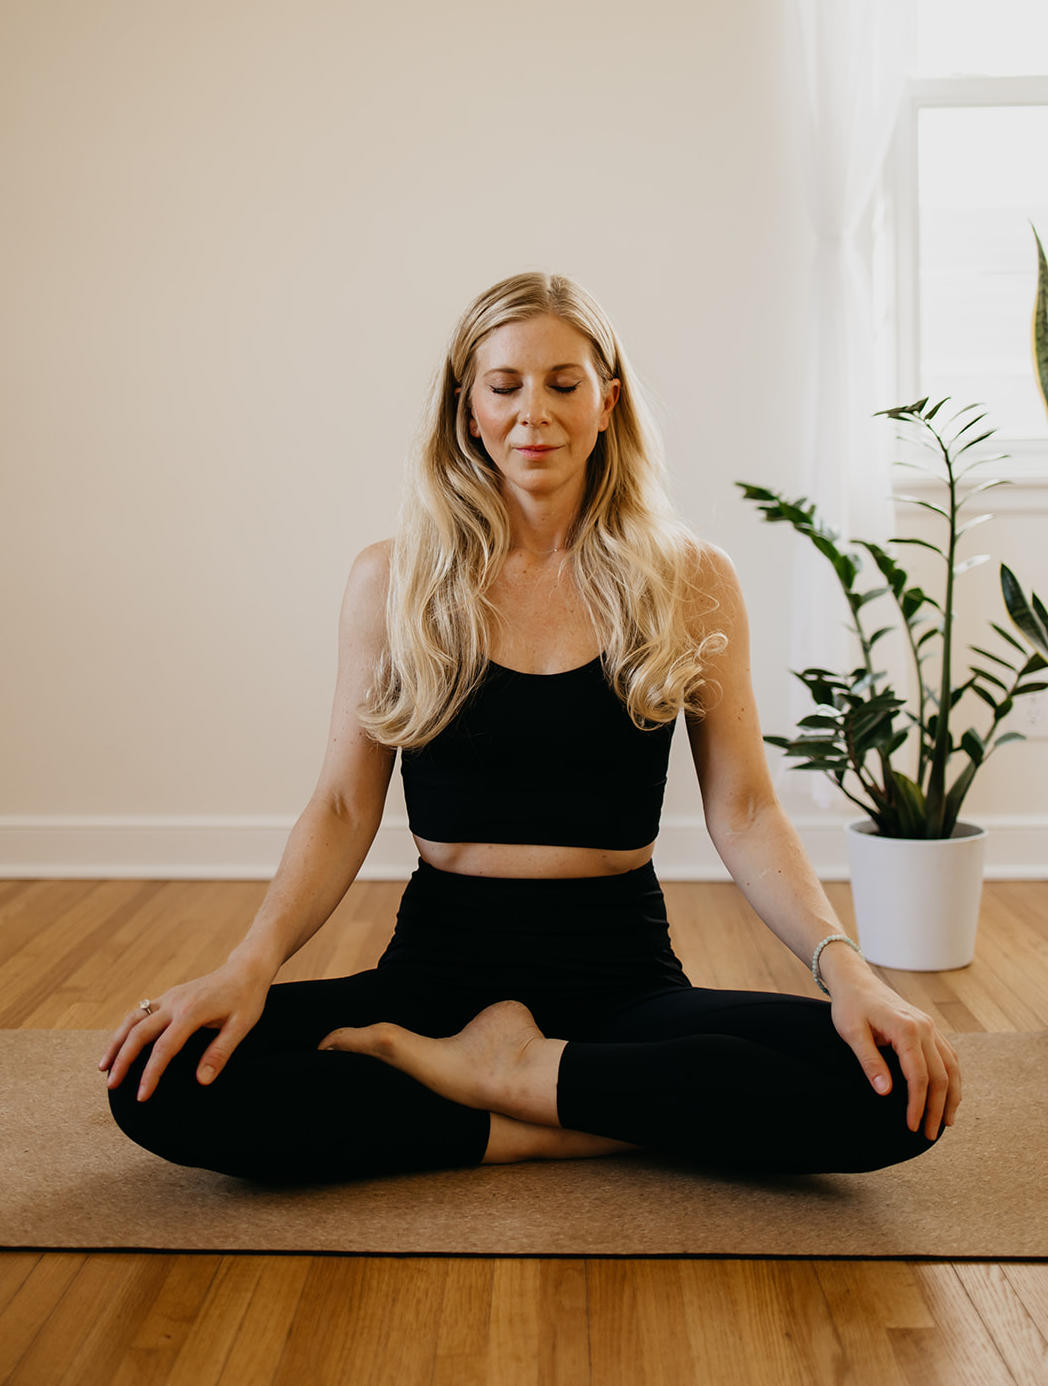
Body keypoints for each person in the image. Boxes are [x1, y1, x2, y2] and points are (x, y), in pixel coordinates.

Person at [102, 272, 961, 1182]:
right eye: (503, 386)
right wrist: (249, 965)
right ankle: (576, 1107)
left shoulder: (688, 578)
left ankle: (511, 1083)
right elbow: (343, 806)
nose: (532, 414)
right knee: (158, 1085)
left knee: (892, 1089)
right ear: (466, 409)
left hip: (619, 977)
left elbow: (745, 811)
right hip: (434, 977)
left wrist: (849, 974)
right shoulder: (392, 580)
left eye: (563, 383)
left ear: (607, 403)